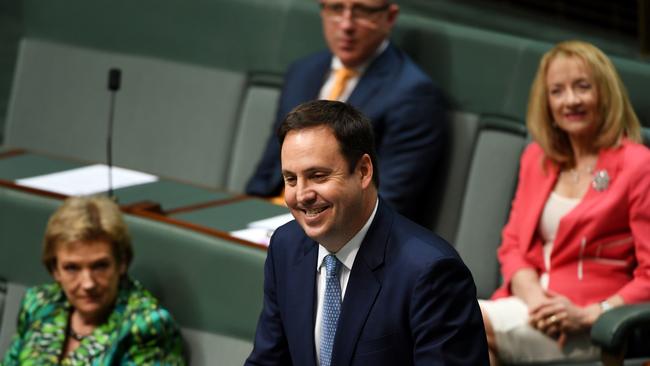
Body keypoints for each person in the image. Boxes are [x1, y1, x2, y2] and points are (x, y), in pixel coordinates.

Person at [245, 100, 488, 366]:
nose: (301, 195)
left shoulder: (430, 273)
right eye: (291, 179)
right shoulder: (286, 247)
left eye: (318, 176)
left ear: (363, 171)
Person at [480, 40, 650, 365]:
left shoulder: (638, 164)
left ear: (605, 94)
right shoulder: (538, 159)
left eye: (582, 87)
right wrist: (534, 298)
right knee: (466, 341)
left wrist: (591, 315)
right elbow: (513, 244)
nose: (570, 100)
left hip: (592, 327)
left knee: (454, 320)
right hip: (531, 310)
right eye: (557, 91)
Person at [245, 0, 446, 225]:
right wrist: (244, 212)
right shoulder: (303, 71)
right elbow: (269, 167)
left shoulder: (413, 94)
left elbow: (388, 202)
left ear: (389, 17)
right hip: (268, 220)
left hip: (334, 230)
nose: (346, 25)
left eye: (361, 11)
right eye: (336, 9)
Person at [1, 196, 186, 365]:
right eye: (72, 268)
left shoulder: (146, 325)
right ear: (54, 270)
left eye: (100, 266)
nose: (88, 283)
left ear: (122, 263)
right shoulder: (39, 304)